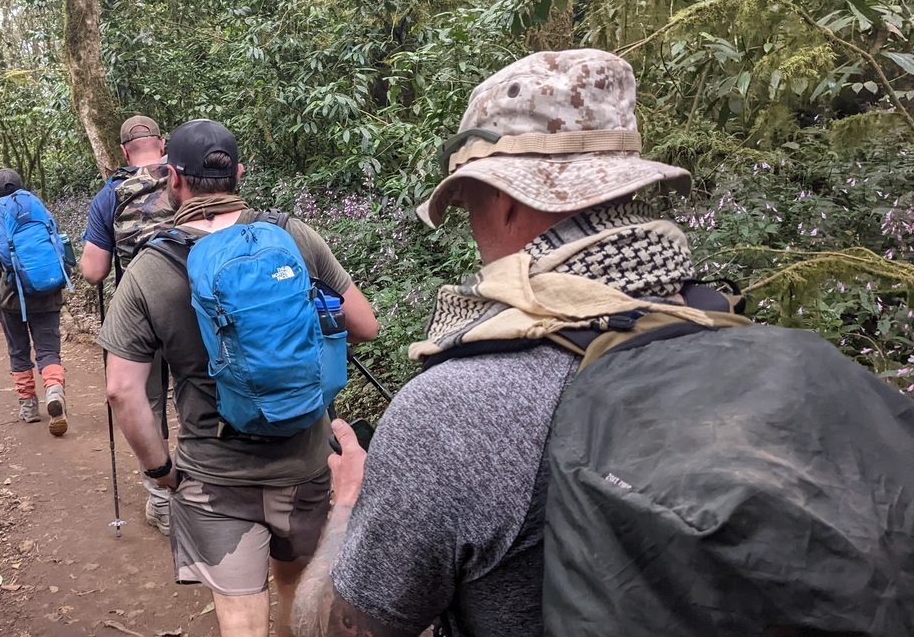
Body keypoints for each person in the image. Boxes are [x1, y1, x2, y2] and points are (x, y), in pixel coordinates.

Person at [291, 49, 696, 636]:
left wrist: (350, 502)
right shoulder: (731, 334)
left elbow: (334, 630)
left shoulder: (454, 411)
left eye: (467, 201)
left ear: (503, 199)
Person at [99, 119, 380, 637]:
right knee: (297, 589)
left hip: (213, 474)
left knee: (239, 614)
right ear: (239, 173)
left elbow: (122, 390)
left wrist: (161, 471)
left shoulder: (149, 267)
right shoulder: (292, 236)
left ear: (172, 180)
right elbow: (364, 324)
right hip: (305, 461)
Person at [81, 115, 176, 536]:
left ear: (122, 151)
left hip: (139, 312)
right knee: (198, 393)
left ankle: (163, 503)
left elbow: (93, 272)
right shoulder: (183, 180)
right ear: (162, 143)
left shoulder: (108, 195)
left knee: (145, 402)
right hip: (193, 308)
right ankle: (210, 493)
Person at [0, 168, 71, 437]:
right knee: (48, 349)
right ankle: (54, 389)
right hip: (48, 293)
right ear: (22, 187)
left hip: (11, 298)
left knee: (18, 350)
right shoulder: (39, 211)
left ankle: (29, 407)